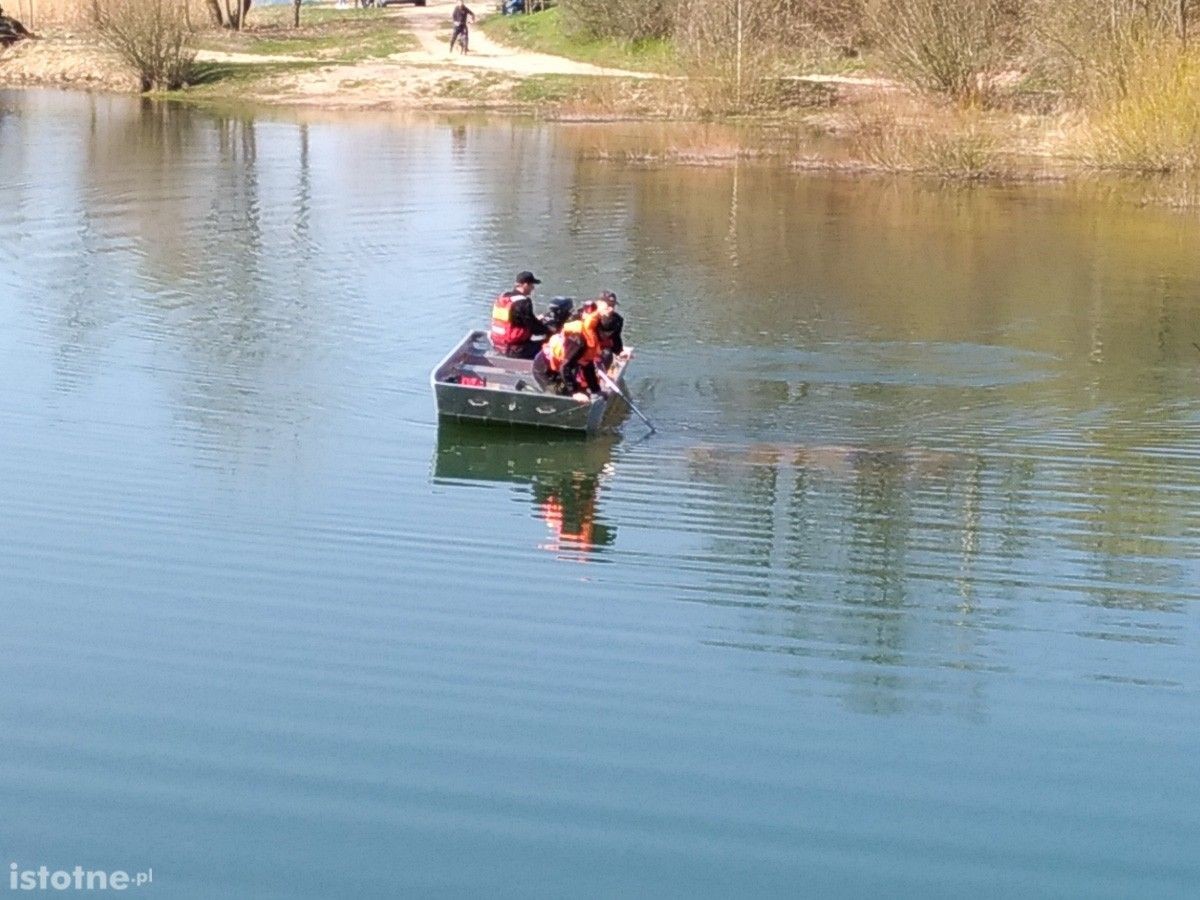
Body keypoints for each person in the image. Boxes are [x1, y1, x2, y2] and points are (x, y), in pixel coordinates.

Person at [490, 270, 548, 359]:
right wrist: (550, 330)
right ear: (525, 284)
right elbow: (534, 328)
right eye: (532, 285)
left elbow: (513, 319)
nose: (533, 288)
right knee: (548, 346)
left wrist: (536, 319)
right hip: (515, 350)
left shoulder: (504, 297)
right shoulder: (523, 302)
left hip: (497, 345)